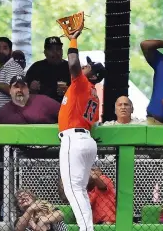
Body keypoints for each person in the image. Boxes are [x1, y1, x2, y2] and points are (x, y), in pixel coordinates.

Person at [58, 30, 106, 231]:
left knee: (73, 190)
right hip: (86, 140)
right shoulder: (92, 93)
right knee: (80, 190)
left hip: (73, 140)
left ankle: (86, 230)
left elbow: (72, 63)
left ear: (94, 75)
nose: (86, 66)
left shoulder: (82, 82)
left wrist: (73, 40)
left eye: (90, 66)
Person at [26, 37, 70, 103]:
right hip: (41, 107)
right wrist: (31, 90)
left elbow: (79, 90)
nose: (55, 52)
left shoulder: (69, 67)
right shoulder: (36, 67)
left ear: (62, 51)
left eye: (58, 49)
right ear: (45, 53)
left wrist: (68, 91)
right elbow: (23, 91)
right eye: (51, 50)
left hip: (65, 106)